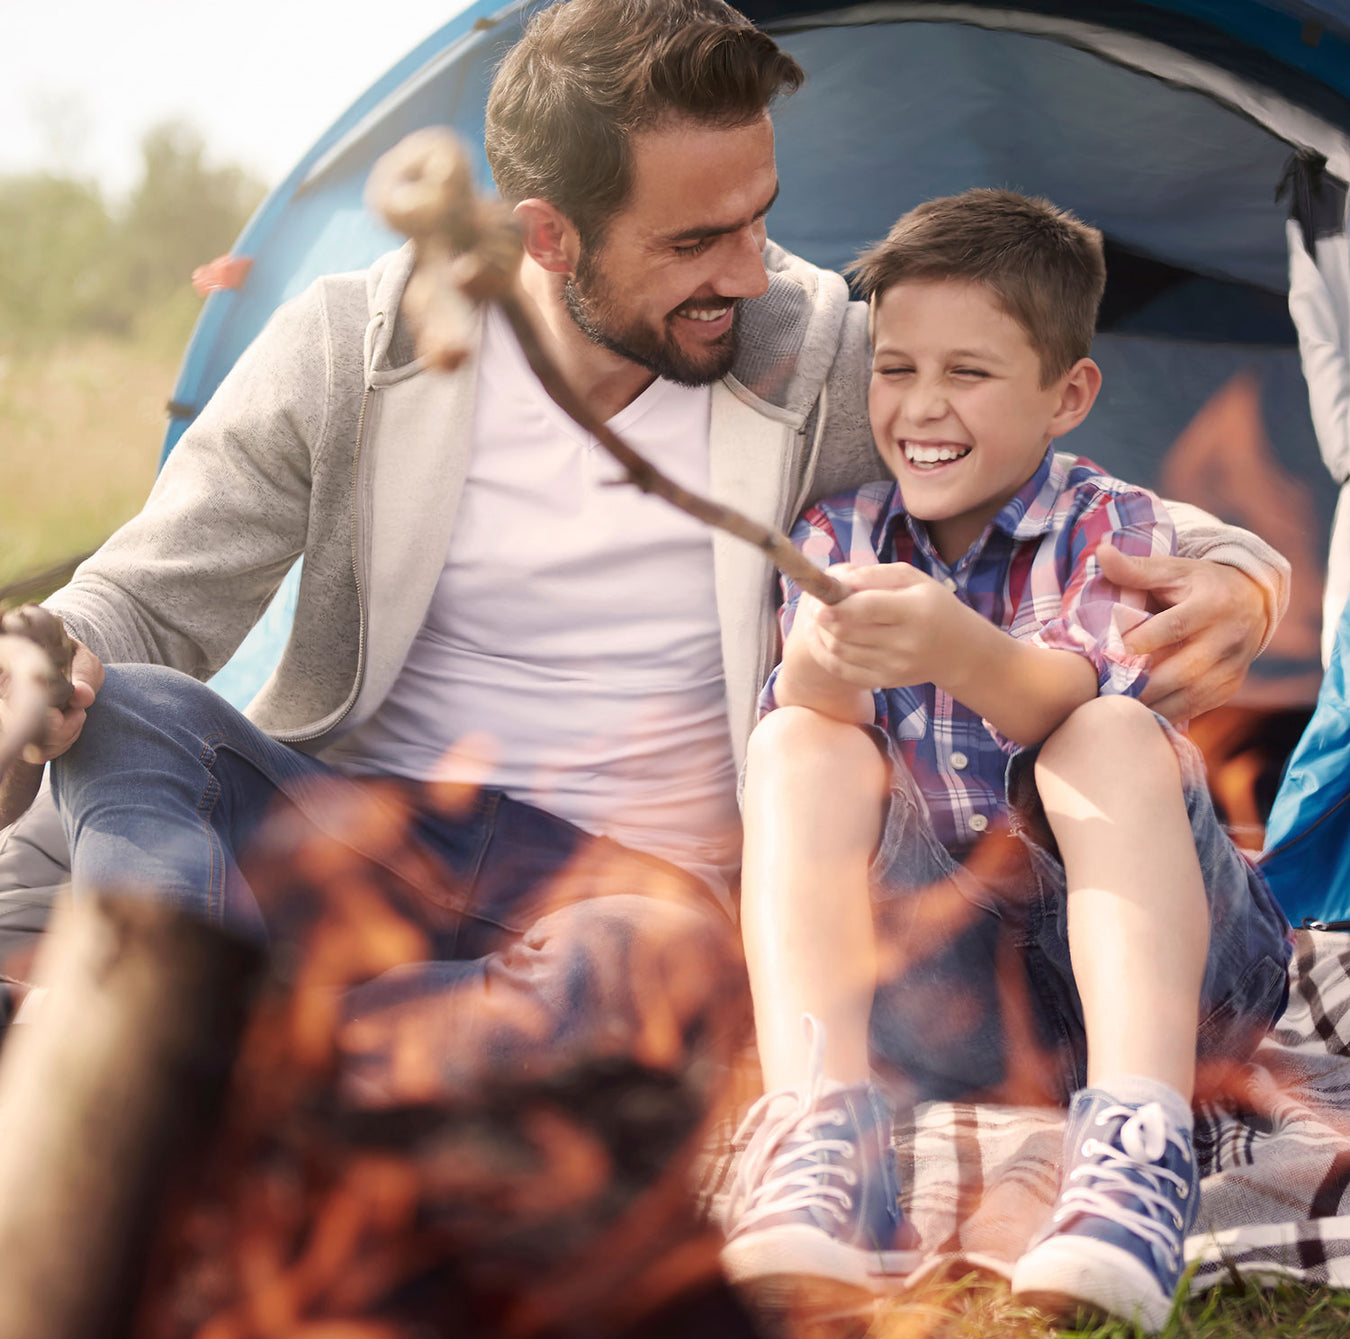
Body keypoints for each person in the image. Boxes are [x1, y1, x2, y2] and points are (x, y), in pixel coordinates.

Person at [0, 2, 1286, 1101]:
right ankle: (185, 1021)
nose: (752, 271)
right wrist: (37, 665)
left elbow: (1064, 484)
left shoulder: (816, 353)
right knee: (142, 719)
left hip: (628, 899)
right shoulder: (356, 348)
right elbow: (138, 602)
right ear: (546, 236)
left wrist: (1240, 576)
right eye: (693, 242)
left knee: (637, 981)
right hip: (364, 838)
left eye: (758, 220)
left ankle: (179, 1064)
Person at [719, 190, 1293, 1331]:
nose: (923, 408)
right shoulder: (839, 534)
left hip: (1172, 988)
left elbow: (1064, 697)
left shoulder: (1108, 527)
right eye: (897, 369)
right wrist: (830, 660)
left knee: (1113, 733)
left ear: (1066, 395)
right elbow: (805, 694)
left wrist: (955, 645)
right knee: (795, 739)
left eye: (968, 374)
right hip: (954, 1008)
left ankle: (1137, 1145)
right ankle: (826, 1130)